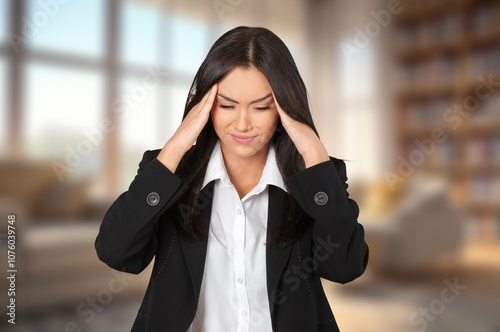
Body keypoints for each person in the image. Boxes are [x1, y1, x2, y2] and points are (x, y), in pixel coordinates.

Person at [95, 26, 368, 332]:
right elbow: (117, 253)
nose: (242, 123)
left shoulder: (317, 179)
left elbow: (344, 268)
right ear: (205, 106)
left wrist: (314, 155)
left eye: (261, 107)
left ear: (284, 108)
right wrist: (176, 146)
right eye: (226, 105)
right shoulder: (169, 173)